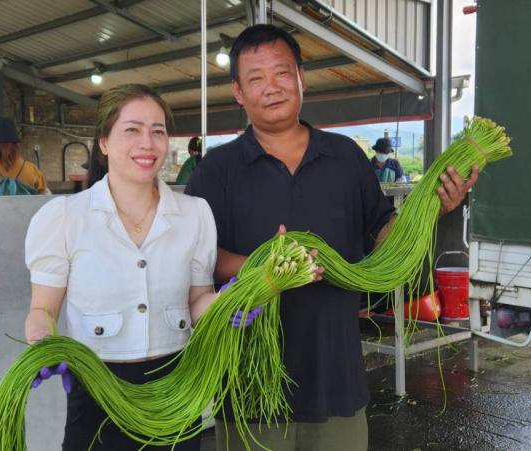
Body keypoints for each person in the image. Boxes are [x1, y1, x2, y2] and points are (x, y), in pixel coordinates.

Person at [185, 24, 479, 451]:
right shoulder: (217, 169)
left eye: (282, 73)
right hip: (252, 387)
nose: (271, 87)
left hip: (337, 379)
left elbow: (383, 235)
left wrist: (432, 207)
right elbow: (200, 261)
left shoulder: (345, 156)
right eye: (256, 78)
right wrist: (268, 268)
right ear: (238, 92)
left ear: (302, 78)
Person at [24, 84, 239, 450]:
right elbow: (42, 309)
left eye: (158, 131)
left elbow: (197, 301)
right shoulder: (63, 218)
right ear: (104, 142)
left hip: (175, 391)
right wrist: (44, 345)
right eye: (132, 130)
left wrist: (228, 302)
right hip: (96, 393)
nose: (148, 143)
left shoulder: (194, 214)